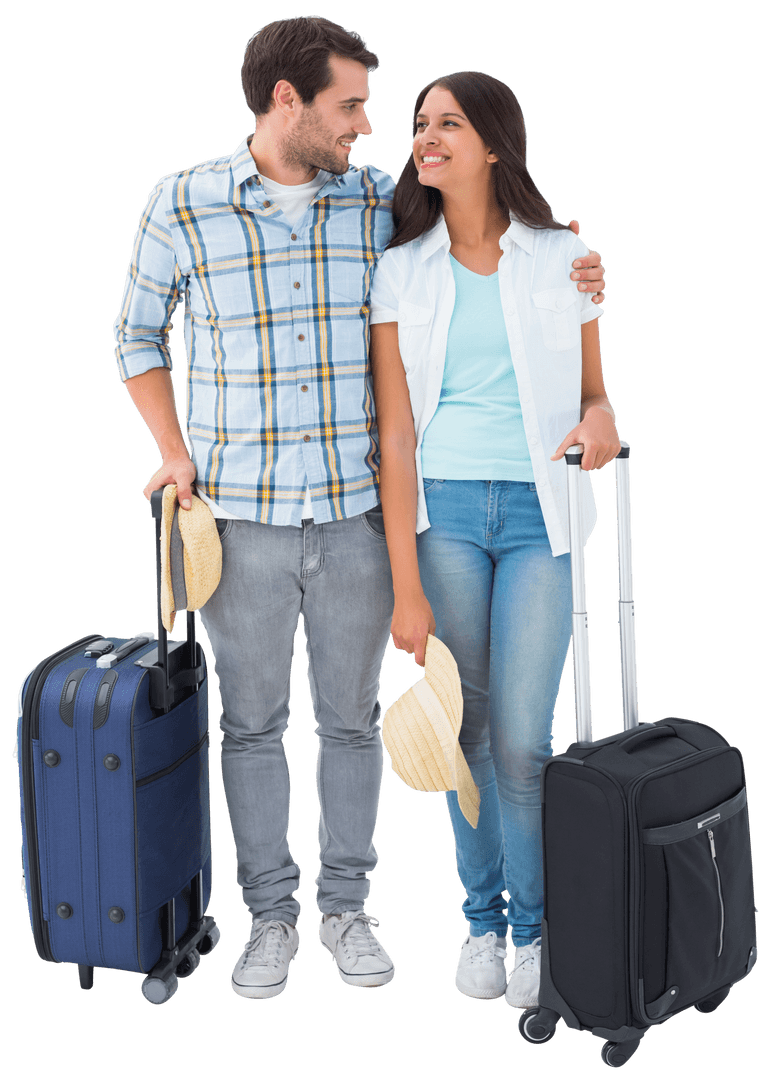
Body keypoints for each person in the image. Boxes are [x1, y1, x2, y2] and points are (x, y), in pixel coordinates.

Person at [113, 18, 607, 1000]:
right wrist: (173, 454)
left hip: (355, 519)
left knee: (355, 723)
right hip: (240, 518)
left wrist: (577, 264)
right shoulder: (184, 202)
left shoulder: (378, 201)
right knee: (252, 728)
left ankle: (348, 912)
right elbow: (135, 338)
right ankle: (273, 922)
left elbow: (485, 223)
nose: (370, 127)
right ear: (286, 102)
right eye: (351, 106)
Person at [369, 70, 620, 1009]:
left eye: (448, 123)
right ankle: (482, 923)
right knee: (462, 733)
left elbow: (595, 393)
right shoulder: (399, 269)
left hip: (539, 518)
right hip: (440, 519)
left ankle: (534, 933)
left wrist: (597, 423)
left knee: (523, 742)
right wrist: (404, 583)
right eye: (419, 124)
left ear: (493, 143)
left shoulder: (562, 257)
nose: (426, 137)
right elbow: (394, 436)